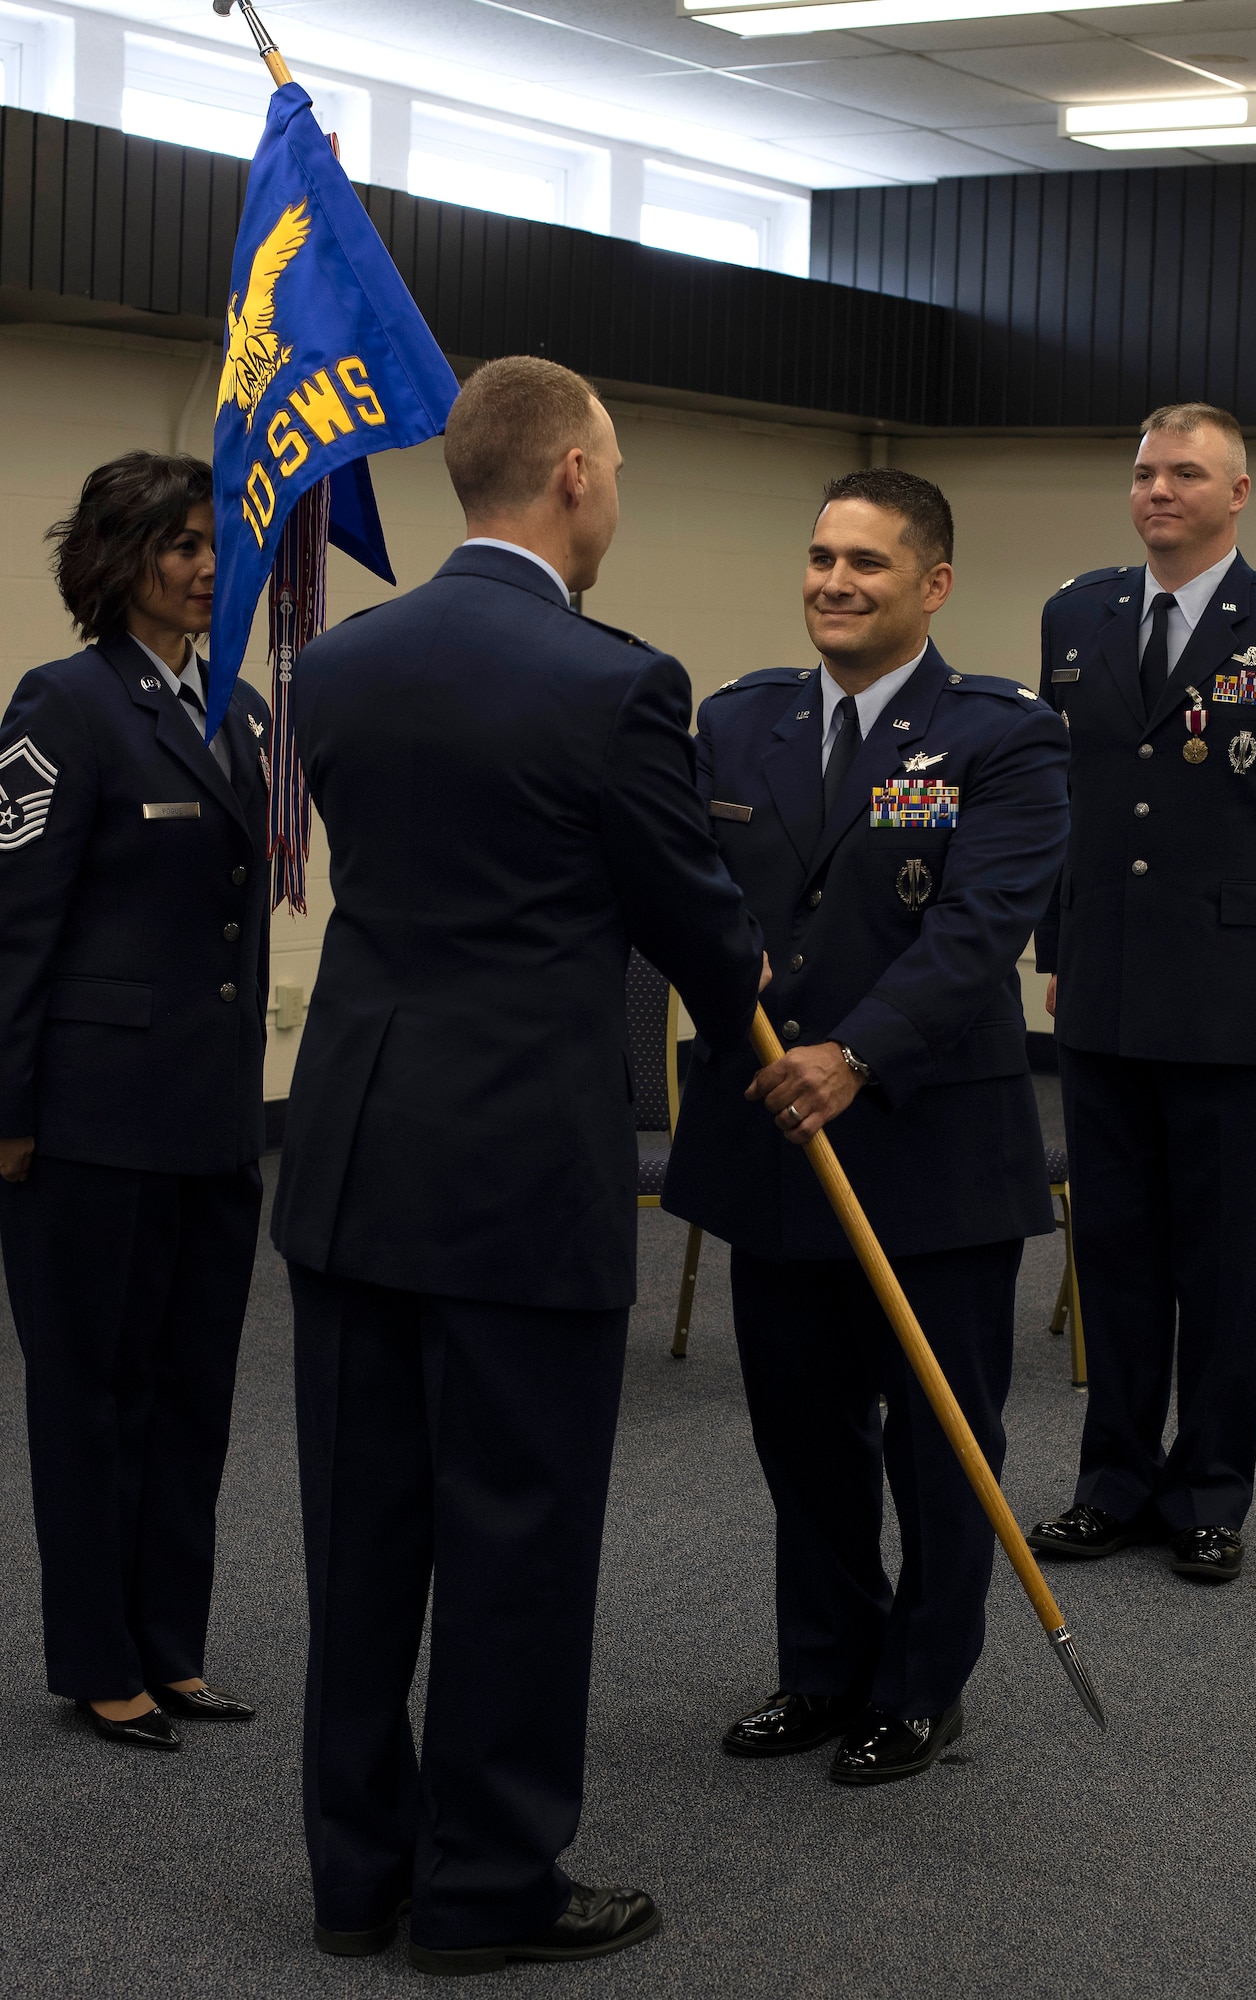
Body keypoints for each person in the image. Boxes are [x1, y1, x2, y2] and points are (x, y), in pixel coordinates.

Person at [271, 356, 765, 1974]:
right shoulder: (612, 682)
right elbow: (695, 928)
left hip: (349, 1157)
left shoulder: (336, 664)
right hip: (514, 1179)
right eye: (612, 470)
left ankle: (356, 1877)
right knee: (513, 1535)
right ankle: (484, 1887)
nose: (612, 497)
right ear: (567, 474)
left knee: (359, 1539)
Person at [663, 468, 1070, 1784]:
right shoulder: (738, 723)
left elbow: (974, 934)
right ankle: (822, 1667)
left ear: (932, 585)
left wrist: (857, 1053)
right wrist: (725, 974)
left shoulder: (1002, 737)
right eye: (821, 556)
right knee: (801, 1429)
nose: (834, 582)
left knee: (941, 1439)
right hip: (773, 1140)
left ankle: (920, 1682)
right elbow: (688, 885)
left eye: (868, 565)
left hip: (929, 1147)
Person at [1028, 402, 1256, 1584]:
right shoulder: (1078, 612)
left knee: (1217, 1255)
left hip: (1244, 995)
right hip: (1103, 986)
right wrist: (1054, 945)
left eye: (1186, 473)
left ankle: (1207, 1488)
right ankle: (1111, 1482)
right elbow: (1062, 796)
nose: (1159, 490)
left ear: (1237, 492)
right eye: (1147, 471)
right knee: (1110, 1248)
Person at [0, 452, 271, 1750]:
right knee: (91, 1398)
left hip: (210, 1122)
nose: (208, 566)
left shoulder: (239, 708)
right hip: (89, 1124)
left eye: (214, 544)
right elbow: (13, 931)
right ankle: (99, 1659)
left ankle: (173, 1647)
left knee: (191, 1396)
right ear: (120, 563)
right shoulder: (63, 705)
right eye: (180, 545)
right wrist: (7, 1110)